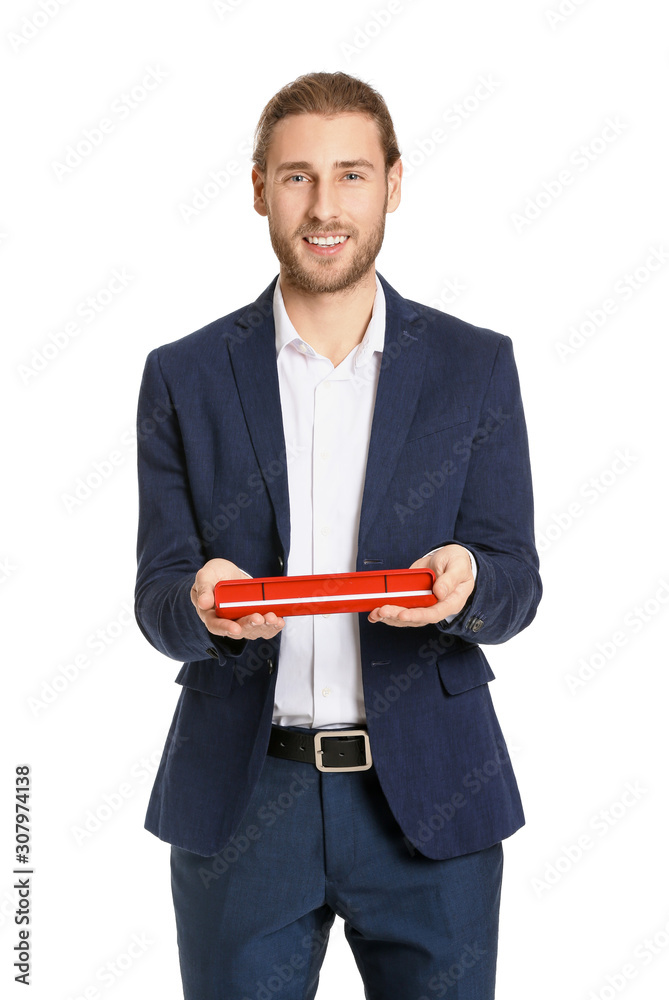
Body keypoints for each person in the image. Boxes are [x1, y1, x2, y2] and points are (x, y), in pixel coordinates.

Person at [134, 70, 542, 1000]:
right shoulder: (184, 375)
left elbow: (516, 578)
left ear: (393, 183)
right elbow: (157, 594)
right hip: (242, 800)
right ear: (256, 188)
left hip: (430, 803)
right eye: (296, 177)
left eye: (351, 175)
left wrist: (469, 580)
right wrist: (199, 603)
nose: (324, 206)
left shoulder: (474, 367)